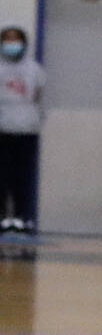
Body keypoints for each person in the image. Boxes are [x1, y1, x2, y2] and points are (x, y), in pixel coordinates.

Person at [0, 26, 42, 234]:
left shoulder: (34, 70)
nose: (11, 44)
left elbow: (40, 98)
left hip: (26, 131)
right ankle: (3, 219)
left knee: (22, 178)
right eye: (7, 39)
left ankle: (22, 219)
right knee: (2, 177)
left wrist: (34, 120)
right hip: (2, 130)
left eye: (15, 40)